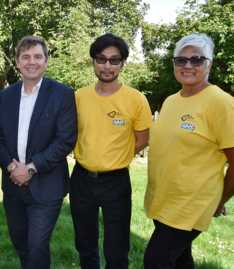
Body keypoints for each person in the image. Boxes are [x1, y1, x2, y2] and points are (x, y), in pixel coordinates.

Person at [143, 33, 234, 268]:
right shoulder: (171, 100)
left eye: (196, 60)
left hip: (191, 202)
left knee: (156, 260)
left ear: (209, 64)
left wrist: (221, 199)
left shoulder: (220, 102)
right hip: (164, 197)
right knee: (181, 259)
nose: (187, 65)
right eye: (181, 60)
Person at [0, 36, 77, 269]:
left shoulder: (63, 94)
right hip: (13, 184)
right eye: (26, 57)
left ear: (46, 61)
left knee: (37, 246)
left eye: (38, 56)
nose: (32, 62)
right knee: (22, 245)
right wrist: (12, 168)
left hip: (46, 186)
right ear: (17, 61)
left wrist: (30, 169)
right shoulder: (6, 95)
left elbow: (65, 140)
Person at [70, 33, 153, 268]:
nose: (107, 65)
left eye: (114, 60)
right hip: (81, 179)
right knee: (85, 244)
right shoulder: (78, 97)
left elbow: (143, 139)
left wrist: (116, 157)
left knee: (116, 250)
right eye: (101, 59)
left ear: (123, 63)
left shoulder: (136, 99)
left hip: (116, 182)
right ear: (93, 62)